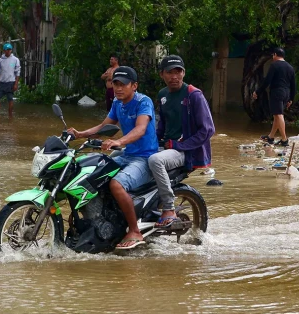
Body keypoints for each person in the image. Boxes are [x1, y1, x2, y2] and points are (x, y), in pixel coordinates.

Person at [67, 66, 158, 250]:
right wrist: (79, 134)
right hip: (127, 155)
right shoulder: (118, 103)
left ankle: (134, 230)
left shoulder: (143, 102)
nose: (118, 88)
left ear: (134, 86)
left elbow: (140, 129)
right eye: (115, 84)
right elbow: (103, 126)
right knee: (89, 174)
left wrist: (119, 141)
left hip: (144, 158)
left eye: (123, 84)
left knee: (116, 184)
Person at [149, 55, 215, 228]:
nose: (174, 76)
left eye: (178, 72)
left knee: (156, 160)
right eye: (169, 72)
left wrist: (180, 145)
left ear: (184, 73)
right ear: (161, 74)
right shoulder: (163, 95)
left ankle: (169, 208)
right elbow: (161, 125)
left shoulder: (194, 95)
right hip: (167, 147)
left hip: (186, 151)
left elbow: (208, 130)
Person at [252, 47, 296, 146]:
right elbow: (293, 85)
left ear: (275, 55)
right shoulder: (290, 67)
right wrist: (291, 98)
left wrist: (258, 92)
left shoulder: (274, 65)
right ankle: (271, 137)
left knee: (279, 114)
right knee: (277, 114)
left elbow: (267, 81)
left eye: (273, 55)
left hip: (277, 92)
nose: (272, 57)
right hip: (286, 93)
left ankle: (284, 139)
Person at [0, 43, 21, 119]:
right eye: (7, 50)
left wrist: (16, 84)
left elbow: (17, 72)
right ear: (4, 51)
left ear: (11, 50)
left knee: (10, 99)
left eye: (9, 50)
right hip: (2, 82)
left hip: (10, 82)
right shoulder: (0, 60)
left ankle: (10, 115)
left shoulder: (15, 60)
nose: (8, 51)